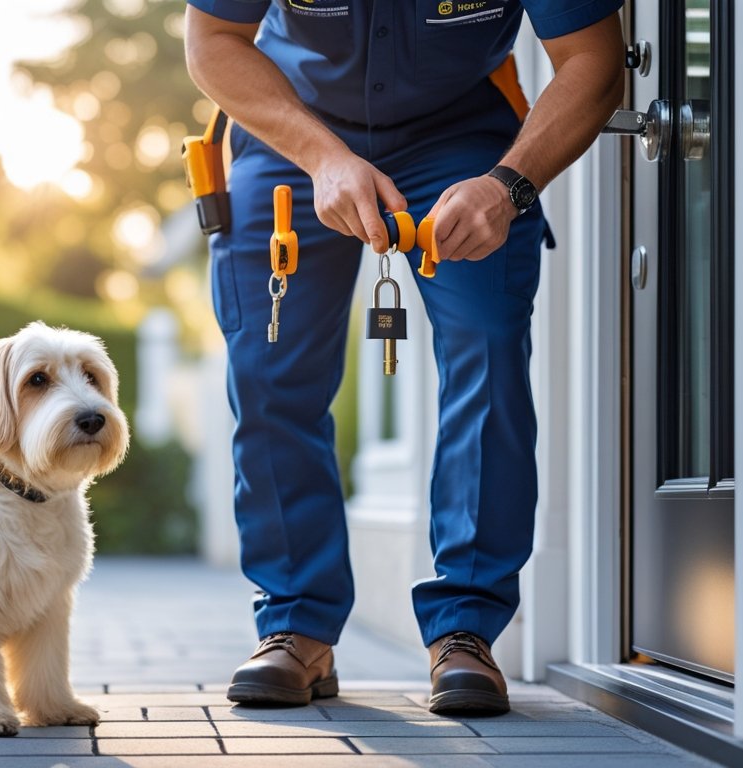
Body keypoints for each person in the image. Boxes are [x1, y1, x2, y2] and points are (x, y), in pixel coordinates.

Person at [184, 0, 624, 714]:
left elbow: (594, 61)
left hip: (462, 142)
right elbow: (211, 39)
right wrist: (325, 158)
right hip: (291, 133)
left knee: (488, 358)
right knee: (269, 378)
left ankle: (465, 631)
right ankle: (297, 624)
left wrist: (509, 187)